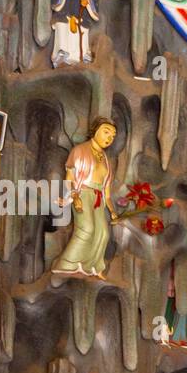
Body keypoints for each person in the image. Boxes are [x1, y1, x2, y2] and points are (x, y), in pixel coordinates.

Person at [52, 119, 117, 278]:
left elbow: (106, 190)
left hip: (98, 198)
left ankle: (94, 267)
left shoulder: (105, 159)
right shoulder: (80, 150)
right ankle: (66, 264)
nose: (109, 137)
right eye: (106, 131)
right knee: (86, 228)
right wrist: (74, 195)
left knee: (103, 233)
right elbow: (69, 177)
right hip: (82, 193)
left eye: (113, 135)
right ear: (95, 130)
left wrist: (112, 210)